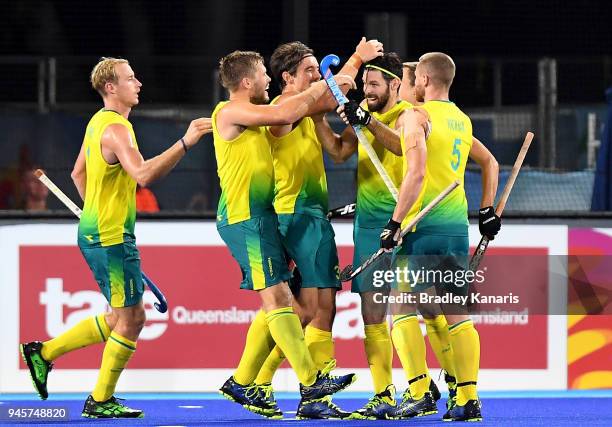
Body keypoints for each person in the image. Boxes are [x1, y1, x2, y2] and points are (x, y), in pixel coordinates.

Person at [19, 57, 212, 419]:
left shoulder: (98, 123)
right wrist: (185, 142)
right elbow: (143, 174)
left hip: (97, 232)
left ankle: (42, 353)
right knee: (132, 319)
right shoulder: (118, 130)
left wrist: (95, 208)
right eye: (130, 78)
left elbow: (79, 173)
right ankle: (100, 400)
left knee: (118, 316)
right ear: (111, 87)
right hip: (110, 238)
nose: (138, 83)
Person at [213, 50, 358, 419]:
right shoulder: (231, 111)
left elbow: (318, 130)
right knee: (282, 303)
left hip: (259, 217)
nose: (267, 79)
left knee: (284, 302)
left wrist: (352, 113)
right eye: (263, 74)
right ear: (248, 82)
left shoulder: (259, 114)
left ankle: (246, 381)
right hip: (246, 218)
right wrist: (349, 66)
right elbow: (285, 112)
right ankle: (308, 382)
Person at [251, 38, 383, 420]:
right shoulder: (281, 109)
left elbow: (341, 153)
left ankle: (260, 383)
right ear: (286, 77)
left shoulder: (306, 112)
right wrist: (356, 60)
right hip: (298, 215)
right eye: (309, 70)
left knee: (304, 308)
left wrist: (332, 117)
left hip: (307, 214)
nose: (317, 77)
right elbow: (336, 88)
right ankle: (311, 397)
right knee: (320, 307)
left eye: (317, 70)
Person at [378, 52, 500, 422]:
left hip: (421, 228)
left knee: (399, 309)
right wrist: (487, 211)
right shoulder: (462, 120)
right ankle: (468, 399)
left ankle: (418, 391)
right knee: (457, 315)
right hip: (453, 229)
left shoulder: (416, 116)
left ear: (426, 81)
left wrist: (395, 223)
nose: (412, 85)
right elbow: (490, 162)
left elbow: (414, 175)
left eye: (415, 79)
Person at [315, 52, 412, 419]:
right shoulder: (361, 118)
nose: (367, 91)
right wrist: (316, 119)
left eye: (374, 84)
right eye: (365, 84)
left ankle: (434, 386)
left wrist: (367, 119)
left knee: (424, 312)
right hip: (371, 226)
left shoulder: (409, 116)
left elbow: (400, 145)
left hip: (406, 225)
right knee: (373, 314)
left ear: (395, 84)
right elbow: (340, 152)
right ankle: (384, 395)